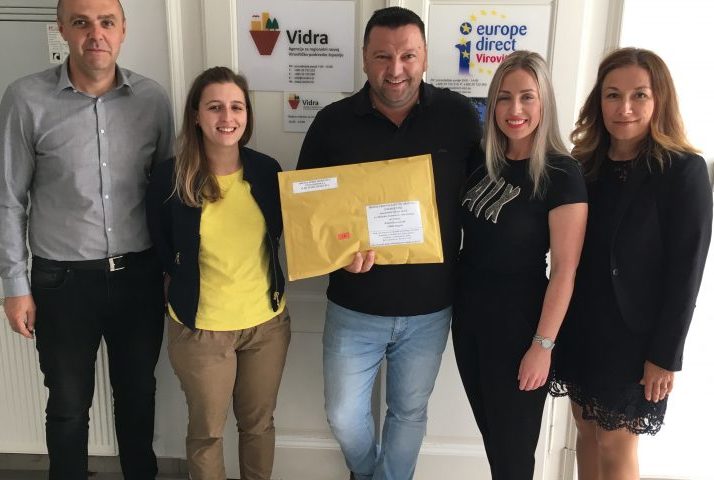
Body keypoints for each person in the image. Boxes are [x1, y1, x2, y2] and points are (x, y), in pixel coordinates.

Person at [296, 6, 481, 480]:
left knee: (409, 413)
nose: (395, 69)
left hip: (430, 309)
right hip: (354, 306)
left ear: (425, 57)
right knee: (342, 414)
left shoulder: (459, 117)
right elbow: (306, 210)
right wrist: (335, 252)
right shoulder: (332, 123)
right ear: (364, 57)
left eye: (407, 56)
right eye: (382, 56)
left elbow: (485, 198)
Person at [0, 0, 174, 478]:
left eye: (106, 22)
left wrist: (169, 271)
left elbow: (166, 194)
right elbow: (9, 198)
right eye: (81, 23)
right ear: (62, 29)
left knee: (138, 396)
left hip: (138, 277)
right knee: (68, 404)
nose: (95, 34)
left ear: (122, 30)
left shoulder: (152, 100)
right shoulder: (25, 99)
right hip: (62, 283)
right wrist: (14, 286)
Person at [551, 47, 713, 479]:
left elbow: (687, 274)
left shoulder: (682, 171)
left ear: (659, 100)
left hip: (635, 338)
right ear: (598, 101)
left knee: (615, 443)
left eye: (639, 95)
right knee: (586, 432)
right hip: (582, 325)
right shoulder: (585, 165)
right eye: (613, 95)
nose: (624, 108)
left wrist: (665, 356)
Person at [146, 66, 289, 480]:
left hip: (266, 326)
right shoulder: (170, 177)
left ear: (247, 115)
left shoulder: (267, 171)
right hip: (202, 331)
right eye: (215, 107)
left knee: (259, 426)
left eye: (236, 107)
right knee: (207, 434)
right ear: (196, 115)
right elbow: (160, 246)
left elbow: (282, 235)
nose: (227, 117)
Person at [453, 51, 588, 479]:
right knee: (497, 446)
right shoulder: (480, 160)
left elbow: (565, 270)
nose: (515, 109)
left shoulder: (562, 173)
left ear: (544, 102)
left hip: (520, 329)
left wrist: (542, 346)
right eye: (504, 97)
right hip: (469, 322)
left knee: (513, 457)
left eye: (527, 97)